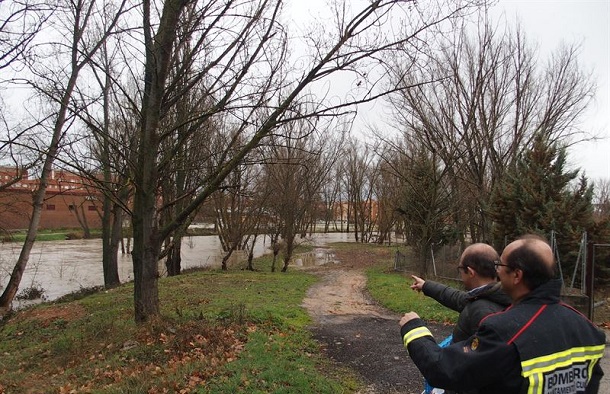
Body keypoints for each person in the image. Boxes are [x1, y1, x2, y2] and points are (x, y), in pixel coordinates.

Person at [399, 235, 606, 393]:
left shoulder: (503, 331)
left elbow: (444, 370)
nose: (496, 271)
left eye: (500, 265)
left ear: (517, 275)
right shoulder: (587, 328)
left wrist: (415, 330)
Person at [410, 243, 511, 343]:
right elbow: (457, 298)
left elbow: (457, 358)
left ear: (470, 272)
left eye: (460, 269)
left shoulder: (481, 313)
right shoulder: (493, 295)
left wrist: (414, 328)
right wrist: (425, 285)